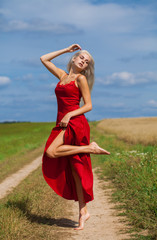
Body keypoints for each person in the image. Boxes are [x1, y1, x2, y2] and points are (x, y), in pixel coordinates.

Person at [40, 44, 110, 230]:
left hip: (75, 123)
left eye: (86, 62)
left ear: (86, 68)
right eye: (81, 58)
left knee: (51, 152)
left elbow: (88, 106)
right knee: (74, 171)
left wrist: (69, 115)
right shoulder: (63, 76)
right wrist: (65, 50)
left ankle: (89, 148)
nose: (83, 61)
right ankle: (83, 212)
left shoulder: (80, 79)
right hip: (62, 123)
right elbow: (44, 59)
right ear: (74, 59)